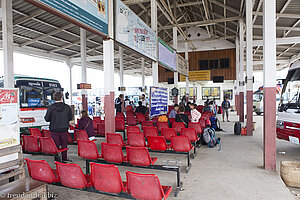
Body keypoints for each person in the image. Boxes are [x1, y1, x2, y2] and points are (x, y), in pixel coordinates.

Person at [44, 91, 73, 162]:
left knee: (55, 146)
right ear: (61, 97)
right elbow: (70, 118)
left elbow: (47, 119)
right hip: (64, 129)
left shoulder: (51, 108)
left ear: (54, 98)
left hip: (54, 130)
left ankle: (56, 160)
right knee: (64, 146)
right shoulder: (67, 107)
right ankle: (64, 159)